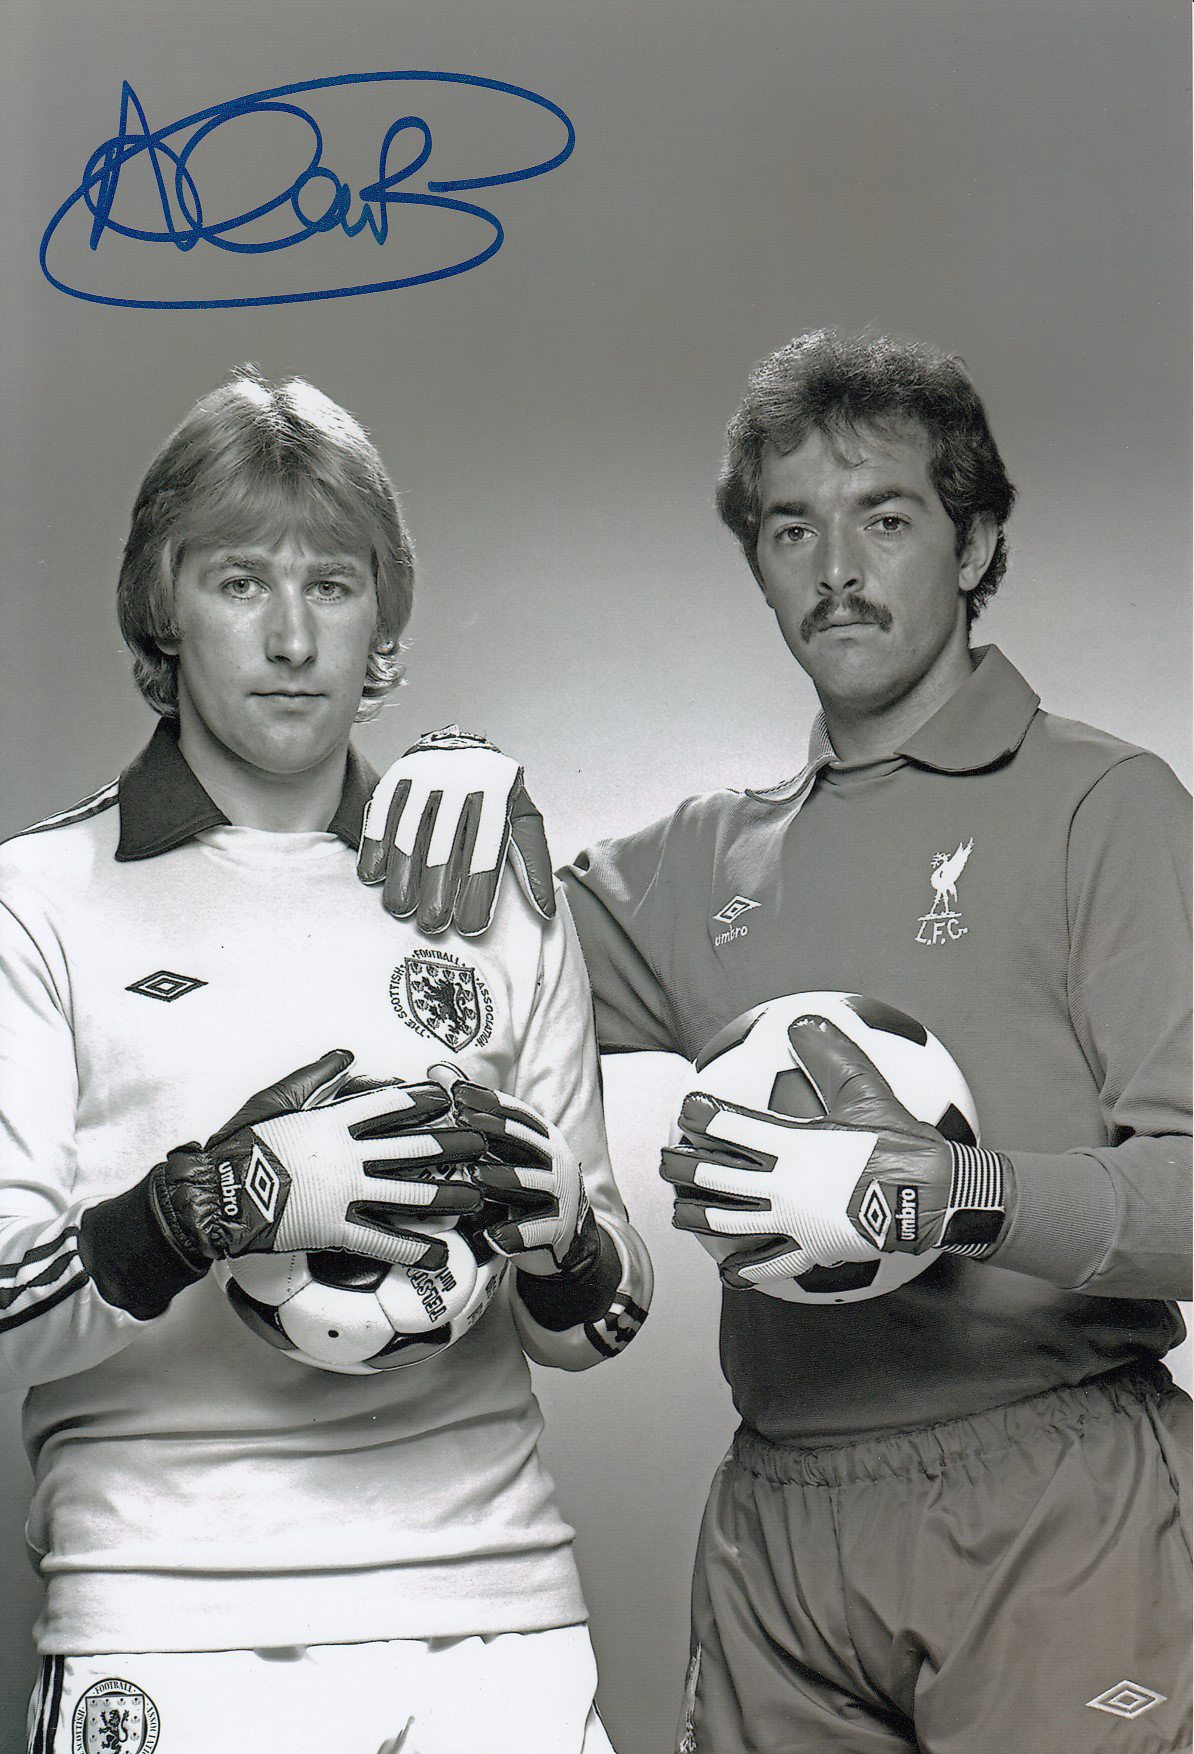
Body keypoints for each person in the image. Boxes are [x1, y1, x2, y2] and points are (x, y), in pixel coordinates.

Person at [356, 329, 1192, 1753]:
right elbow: (434, 982)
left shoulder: (1102, 806)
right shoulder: (702, 861)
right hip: (783, 1516)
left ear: (976, 539)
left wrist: (952, 1191)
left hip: (1055, 1499)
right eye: (791, 527)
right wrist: (449, 772)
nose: (836, 568)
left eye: (886, 517)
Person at [0, 368, 652, 1754]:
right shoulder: (35, 901)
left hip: (497, 1621)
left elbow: (602, 1322)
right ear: (162, 611)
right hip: (170, 1622)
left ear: (386, 626)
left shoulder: (494, 892)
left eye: (336, 584)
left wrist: (568, 1238)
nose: (293, 635)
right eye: (241, 582)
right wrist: (214, 1203)